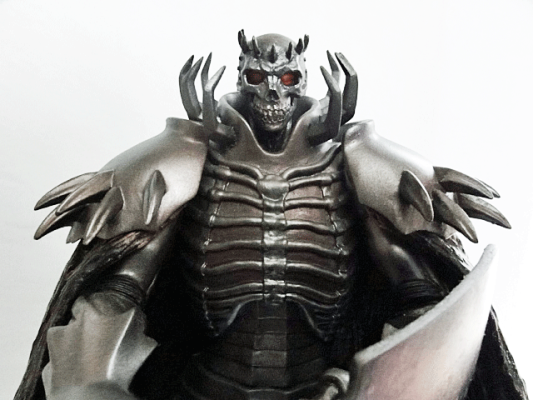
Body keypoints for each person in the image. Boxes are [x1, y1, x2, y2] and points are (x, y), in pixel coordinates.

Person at [16, 32, 526, 400]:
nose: (274, 95)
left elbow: (422, 298)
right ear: (242, 78)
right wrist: (94, 384)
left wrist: (366, 382)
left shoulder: (355, 168)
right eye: (258, 78)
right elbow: (119, 288)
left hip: (326, 385)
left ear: (302, 79)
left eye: (287, 79)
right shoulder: (190, 162)